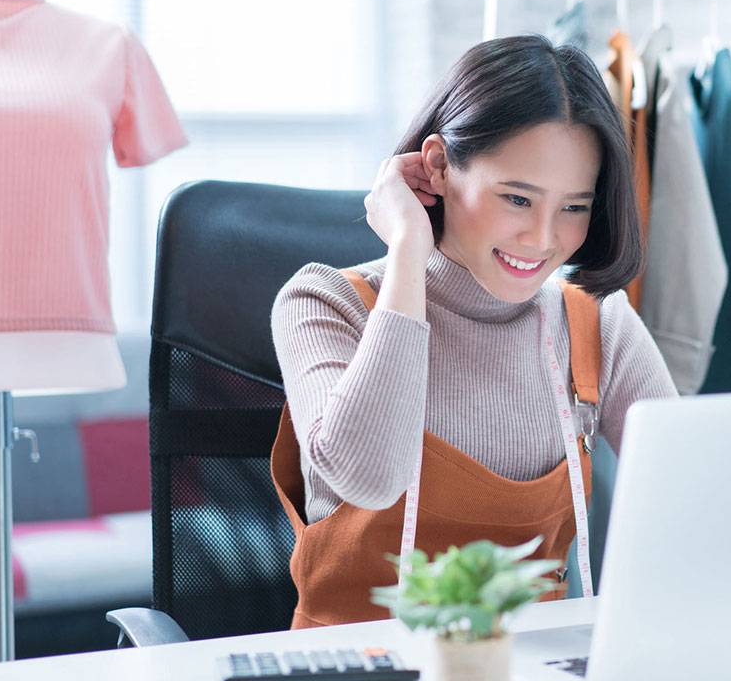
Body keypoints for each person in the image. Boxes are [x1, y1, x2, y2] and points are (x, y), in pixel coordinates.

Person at [270, 34, 677, 630]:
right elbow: (369, 477)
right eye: (517, 198)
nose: (542, 239)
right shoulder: (324, 303)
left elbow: (693, 501)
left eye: (573, 207)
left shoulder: (598, 324)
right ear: (437, 166)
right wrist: (409, 248)